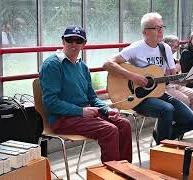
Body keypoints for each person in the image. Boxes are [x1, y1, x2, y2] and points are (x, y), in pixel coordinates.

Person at [103, 12, 193, 145]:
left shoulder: (165, 48)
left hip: (159, 93)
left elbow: (173, 76)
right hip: (138, 97)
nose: (161, 31)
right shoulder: (136, 48)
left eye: (162, 27)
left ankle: (161, 138)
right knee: (167, 109)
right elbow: (107, 64)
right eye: (156, 28)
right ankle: (163, 148)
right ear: (145, 32)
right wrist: (133, 76)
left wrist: (188, 77)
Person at [39, 25, 132, 163]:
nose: (74, 44)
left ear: (84, 44)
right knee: (109, 130)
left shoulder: (82, 67)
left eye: (78, 41)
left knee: (124, 124)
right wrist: (81, 111)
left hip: (83, 114)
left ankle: (125, 171)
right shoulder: (52, 64)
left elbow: (92, 97)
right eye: (70, 39)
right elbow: (51, 102)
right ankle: (111, 173)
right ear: (63, 41)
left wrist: (106, 110)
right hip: (62, 119)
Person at [163, 35, 193, 113]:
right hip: (164, 88)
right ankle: (181, 122)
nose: (174, 49)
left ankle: (191, 121)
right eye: (171, 46)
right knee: (185, 100)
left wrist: (188, 79)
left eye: (176, 47)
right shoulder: (161, 58)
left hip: (176, 85)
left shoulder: (174, 60)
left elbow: (177, 80)